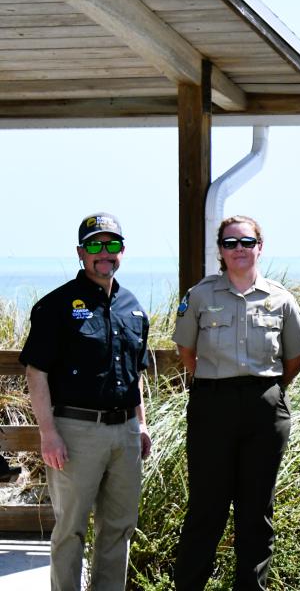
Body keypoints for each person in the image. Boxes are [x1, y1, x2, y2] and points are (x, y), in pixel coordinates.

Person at [173, 215, 300, 591]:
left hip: (263, 407)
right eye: (231, 243)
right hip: (212, 406)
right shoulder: (200, 296)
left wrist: (264, 390)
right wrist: (218, 384)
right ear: (219, 250)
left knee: (256, 511)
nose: (239, 250)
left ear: (259, 247)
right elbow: (186, 352)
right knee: (207, 508)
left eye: (247, 242)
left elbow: (295, 358)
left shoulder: (281, 299)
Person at [20, 212, 151, 591]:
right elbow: (36, 373)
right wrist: (49, 435)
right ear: (81, 252)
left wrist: (141, 424)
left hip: (125, 432)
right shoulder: (56, 306)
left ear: (122, 252)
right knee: (71, 529)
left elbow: (134, 373)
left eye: (112, 244)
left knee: (119, 528)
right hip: (76, 433)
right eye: (95, 245)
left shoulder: (134, 307)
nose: (104, 252)